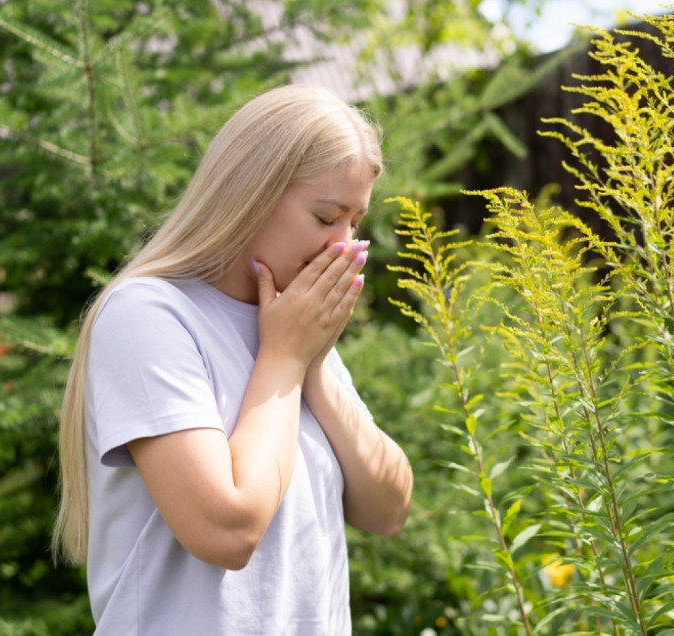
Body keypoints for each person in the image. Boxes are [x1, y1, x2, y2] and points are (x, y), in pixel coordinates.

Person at [51, 84, 414, 635]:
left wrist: (310, 365)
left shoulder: (290, 325)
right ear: (249, 193)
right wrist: (287, 360)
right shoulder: (148, 315)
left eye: (355, 223)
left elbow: (388, 509)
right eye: (325, 217)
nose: (343, 247)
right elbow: (227, 530)